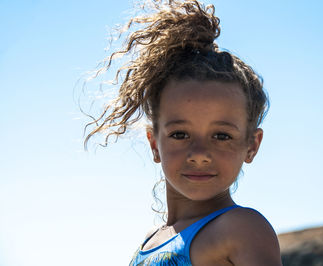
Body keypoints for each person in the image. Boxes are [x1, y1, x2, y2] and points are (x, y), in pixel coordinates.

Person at [85, 0, 282, 265]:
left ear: (252, 145)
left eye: (222, 136)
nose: (199, 154)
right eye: (180, 134)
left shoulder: (240, 229)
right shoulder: (149, 241)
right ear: (154, 143)